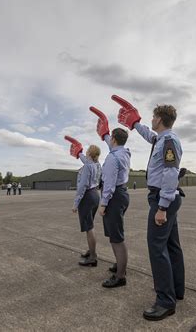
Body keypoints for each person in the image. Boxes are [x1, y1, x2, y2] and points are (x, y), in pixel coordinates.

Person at [113, 94, 184, 321]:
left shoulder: (169, 141)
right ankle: (176, 290)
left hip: (163, 199)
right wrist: (134, 124)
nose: (151, 120)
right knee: (172, 245)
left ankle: (165, 301)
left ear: (160, 119)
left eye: (153, 117)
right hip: (166, 198)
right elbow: (149, 136)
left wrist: (162, 207)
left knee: (156, 248)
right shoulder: (161, 139)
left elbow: (171, 172)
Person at [90, 106, 131, 288]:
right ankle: (119, 265)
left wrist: (103, 204)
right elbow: (111, 145)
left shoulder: (113, 158)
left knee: (116, 238)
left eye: (110, 138)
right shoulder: (123, 152)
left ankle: (120, 276)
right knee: (117, 234)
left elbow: (109, 184)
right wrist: (105, 133)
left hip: (114, 197)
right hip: (123, 194)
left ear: (114, 139)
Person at [64, 136, 102, 267]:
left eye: (86, 152)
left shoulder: (87, 167)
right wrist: (79, 152)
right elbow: (86, 160)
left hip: (87, 197)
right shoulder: (97, 165)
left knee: (88, 228)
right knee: (90, 225)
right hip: (95, 195)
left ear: (89, 154)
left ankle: (93, 257)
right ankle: (91, 251)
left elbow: (82, 187)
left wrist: (75, 204)